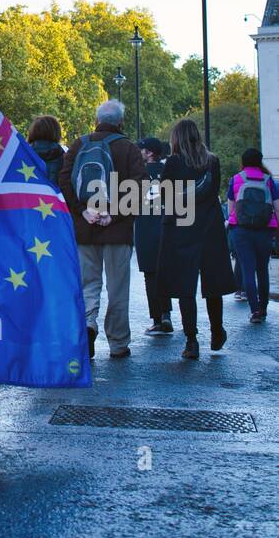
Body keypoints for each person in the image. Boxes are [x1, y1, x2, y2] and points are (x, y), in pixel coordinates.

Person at [59, 100, 147, 361]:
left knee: (88, 284)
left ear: (96, 119)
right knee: (117, 288)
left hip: (84, 228)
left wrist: (82, 211)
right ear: (121, 122)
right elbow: (140, 188)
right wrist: (115, 214)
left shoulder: (79, 144)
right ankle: (118, 343)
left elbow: (64, 181)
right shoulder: (129, 148)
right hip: (117, 231)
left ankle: (88, 325)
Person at [157, 119, 234, 359]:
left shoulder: (173, 162)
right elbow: (214, 193)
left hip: (182, 228)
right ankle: (217, 330)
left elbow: (166, 196)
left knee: (184, 286)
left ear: (176, 138)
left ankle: (191, 340)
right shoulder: (212, 161)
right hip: (209, 229)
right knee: (213, 284)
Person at [226, 148, 279, 323]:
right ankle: (263, 309)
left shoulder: (236, 179)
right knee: (262, 269)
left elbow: (231, 209)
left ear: (243, 161)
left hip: (241, 230)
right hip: (264, 229)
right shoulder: (268, 180)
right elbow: (276, 207)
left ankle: (254, 310)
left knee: (248, 269)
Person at [136, 137, 173, 335]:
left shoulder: (138, 174)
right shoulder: (170, 172)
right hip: (168, 227)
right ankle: (167, 314)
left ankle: (158, 320)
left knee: (151, 276)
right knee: (167, 272)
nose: (138, 152)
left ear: (149, 152)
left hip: (146, 228)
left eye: (141, 149)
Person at [28, 115, 66, 190]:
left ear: (32, 132)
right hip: (55, 200)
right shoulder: (66, 157)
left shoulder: (23, 154)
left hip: (27, 199)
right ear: (56, 132)